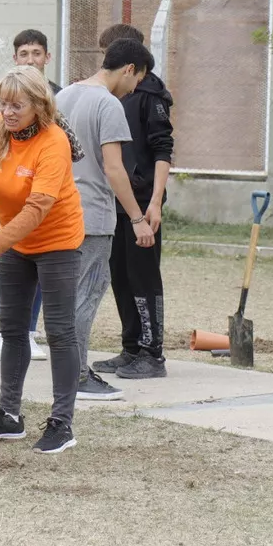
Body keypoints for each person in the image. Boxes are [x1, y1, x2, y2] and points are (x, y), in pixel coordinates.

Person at [0, 65, 85, 454]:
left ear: (39, 105)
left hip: (57, 241)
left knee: (59, 332)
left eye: (16, 105)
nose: (7, 112)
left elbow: (39, 207)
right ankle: (9, 415)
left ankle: (62, 422)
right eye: (2, 103)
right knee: (11, 329)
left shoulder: (53, 141)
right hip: (14, 243)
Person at [56, 39, 155, 400]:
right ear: (129, 69)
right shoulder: (108, 104)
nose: (134, 89)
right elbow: (114, 169)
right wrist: (136, 218)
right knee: (86, 295)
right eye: (137, 81)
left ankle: (66, 372)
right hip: (93, 216)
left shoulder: (63, 96)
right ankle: (79, 375)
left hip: (59, 210)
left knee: (66, 297)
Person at [91, 25, 174, 379]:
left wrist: (154, 202)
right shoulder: (107, 94)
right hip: (114, 202)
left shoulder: (150, 93)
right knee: (120, 276)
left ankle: (152, 353)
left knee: (143, 276)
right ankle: (131, 348)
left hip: (142, 201)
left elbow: (162, 149)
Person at [0, 29, 58, 363]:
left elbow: (64, 156)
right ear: (15, 58)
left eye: (36, 53)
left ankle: (29, 332)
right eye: (24, 54)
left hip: (40, 200)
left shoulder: (56, 98)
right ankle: (5, 331)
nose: (30, 59)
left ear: (47, 58)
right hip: (6, 198)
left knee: (37, 264)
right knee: (6, 262)